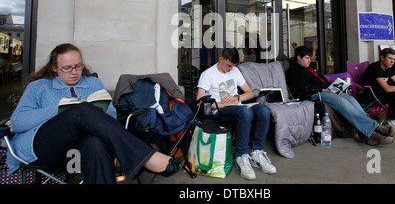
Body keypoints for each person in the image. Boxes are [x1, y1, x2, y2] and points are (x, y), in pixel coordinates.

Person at [7, 43, 183, 184]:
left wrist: (89, 116)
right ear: (55, 68)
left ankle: (142, 157)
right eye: (67, 68)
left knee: (95, 143)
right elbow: (18, 122)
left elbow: (111, 115)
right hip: (46, 147)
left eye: (78, 66)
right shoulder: (39, 87)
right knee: (80, 109)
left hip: (81, 150)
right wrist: (61, 108)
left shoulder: (92, 83)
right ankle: (145, 156)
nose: (75, 72)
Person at [285, 46, 395, 146]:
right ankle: (374, 127)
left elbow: (324, 80)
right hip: (313, 95)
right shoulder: (293, 71)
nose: (310, 60)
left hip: (326, 91)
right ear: (299, 57)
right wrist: (321, 89)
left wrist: (335, 87)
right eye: (307, 58)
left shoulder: (311, 69)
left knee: (351, 99)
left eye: (310, 58)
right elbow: (299, 89)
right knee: (341, 102)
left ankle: (367, 135)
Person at [196, 47, 276, 180]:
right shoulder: (208, 74)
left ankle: (257, 152)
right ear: (220, 59)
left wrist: (237, 98)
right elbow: (199, 102)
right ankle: (242, 156)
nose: (230, 69)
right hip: (220, 110)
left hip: (238, 106)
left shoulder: (235, 70)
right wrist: (223, 104)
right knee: (245, 113)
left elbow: (249, 93)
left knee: (264, 110)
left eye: (233, 66)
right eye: (228, 65)